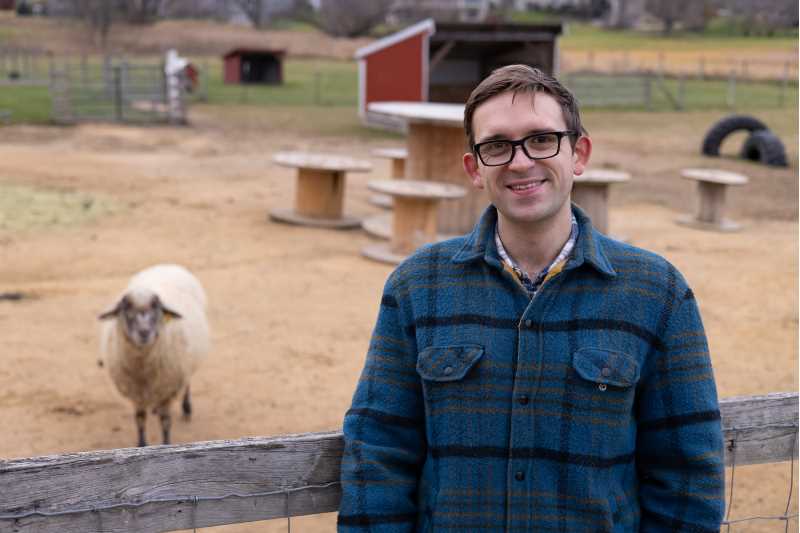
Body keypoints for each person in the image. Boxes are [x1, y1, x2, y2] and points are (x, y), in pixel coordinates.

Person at [338, 64, 724, 532]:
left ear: (578, 153)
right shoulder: (417, 287)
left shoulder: (657, 293)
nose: (520, 161)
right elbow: (378, 452)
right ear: (475, 168)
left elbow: (687, 478)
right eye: (497, 145)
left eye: (542, 139)